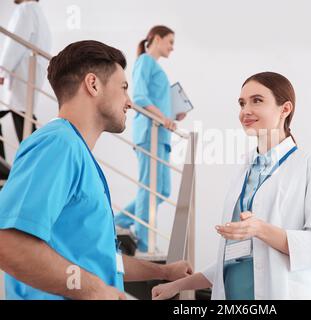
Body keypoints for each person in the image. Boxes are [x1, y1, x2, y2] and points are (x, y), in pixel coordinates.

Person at [0, 40, 192, 300]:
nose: (129, 102)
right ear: (93, 84)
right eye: (123, 88)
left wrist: (166, 272)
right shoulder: (58, 143)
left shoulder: (75, 150)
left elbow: (100, 259)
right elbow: (8, 244)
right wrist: (94, 290)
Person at [151, 72, 311, 300]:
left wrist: (260, 230)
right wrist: (179, 285)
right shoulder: (244, 168)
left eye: (256, 100)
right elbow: (234, 258)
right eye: (241, 103)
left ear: (285, 109)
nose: (245, 111)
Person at [114, 26, 186, 253]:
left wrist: (174, 114)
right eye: (170, 41)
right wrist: (164, 116)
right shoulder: (145, 61)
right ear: (156, 39)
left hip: (161, 135)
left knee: (162, 189)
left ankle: (120, 221)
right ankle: (144, 242)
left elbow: (156, 101)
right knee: (149, 188)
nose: (172, 47)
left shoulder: (156, 68)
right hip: (149, 133)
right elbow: (141, 97)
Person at [0, 0, 51, 159]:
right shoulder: (38, 13)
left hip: (21, 76)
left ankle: (6, 168)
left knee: (24, 120)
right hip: (27, 76)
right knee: (25, 119)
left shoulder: (26, 9)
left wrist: (2, 70)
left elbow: (14, 43)